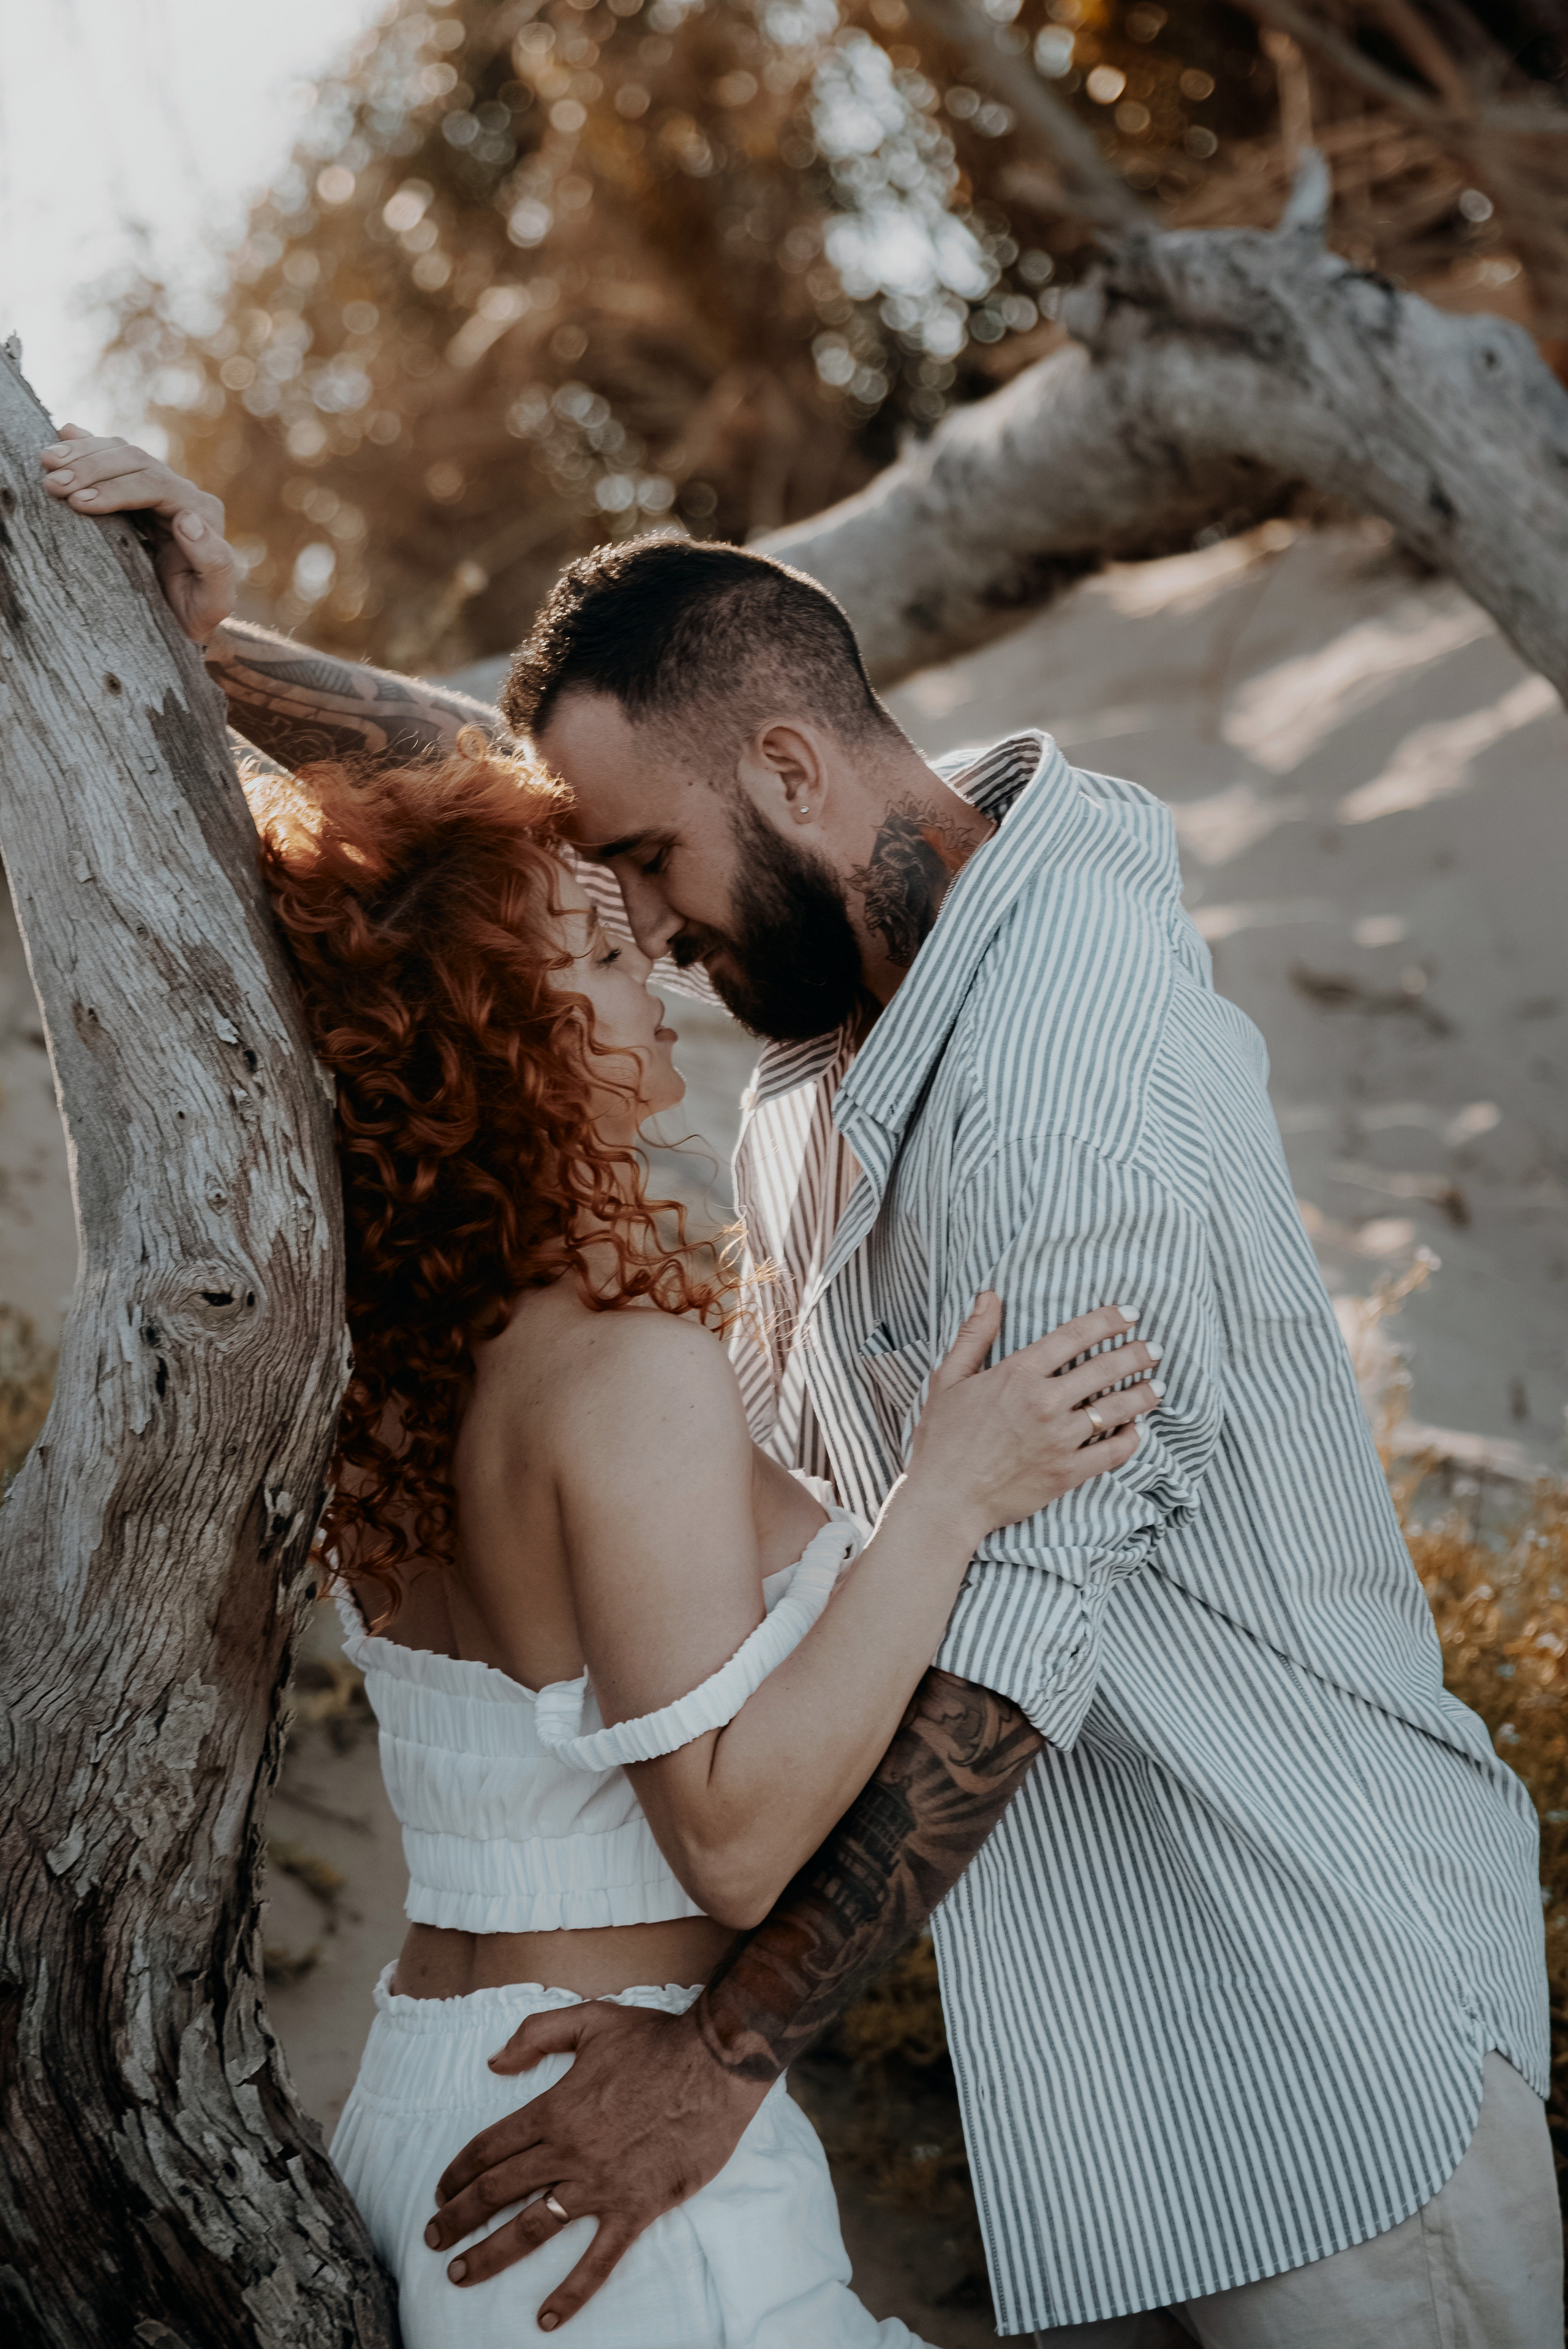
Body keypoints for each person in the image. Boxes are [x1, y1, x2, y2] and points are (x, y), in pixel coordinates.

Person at [47, 432, 1559, 2347]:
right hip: (1090, 2075)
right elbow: (509, 887)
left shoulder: (1057, 1085)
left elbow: (1015, 1634)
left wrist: (721, 2060)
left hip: (1297, 2031)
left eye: (651, 886)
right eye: (609, 912)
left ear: (784, 771)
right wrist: (204, 652)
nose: (649, 943)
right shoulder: (857, 982)